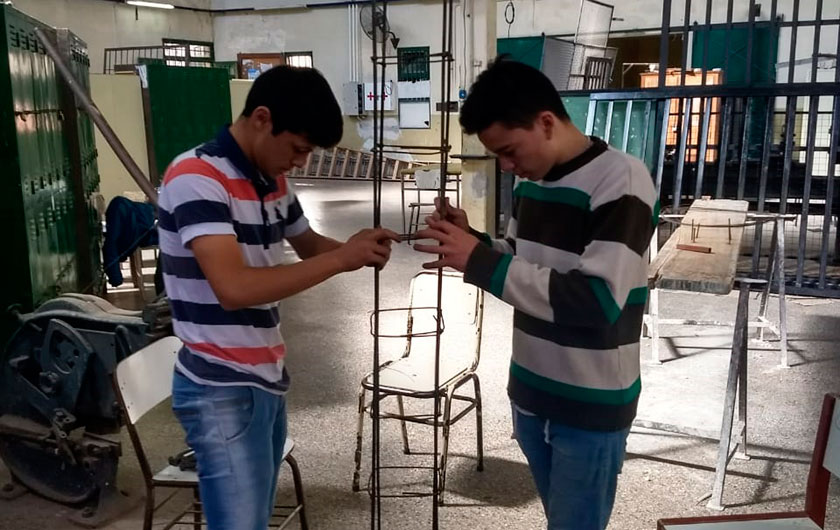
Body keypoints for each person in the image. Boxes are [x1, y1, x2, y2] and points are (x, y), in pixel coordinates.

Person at [414, 59, 658, 530]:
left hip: (588, 406)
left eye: (509, 151)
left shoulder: (621, 180)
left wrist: (480, 261)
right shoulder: (532, 181)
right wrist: (476, 242)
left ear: (546, 122)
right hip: (532, 393)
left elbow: (597, 301)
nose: (507, 166)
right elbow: (521, 257)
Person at [157, 65, 399, 530]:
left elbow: (309, 246)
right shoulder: (196, 177)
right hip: (220, 384)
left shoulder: (271, 180)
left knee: (252, 521)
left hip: (263, 379)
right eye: (298, 148)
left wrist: (359, 248)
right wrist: (341, 259)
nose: (301, 163)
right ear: (262, 119)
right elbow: (235, 289)